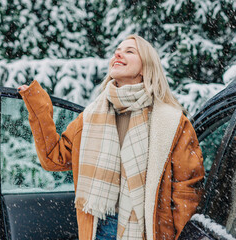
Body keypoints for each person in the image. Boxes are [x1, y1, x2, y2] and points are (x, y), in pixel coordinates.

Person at [18, 34, 204, 240]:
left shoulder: (172, 122)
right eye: (117, 49)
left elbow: (186, 189)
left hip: (149, 231)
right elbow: (54, 157)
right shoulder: (90, 117)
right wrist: (38, 106)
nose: (118, 53)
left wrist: (175, 234)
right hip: (100, 228)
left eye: (129, 51)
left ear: (145, 67)